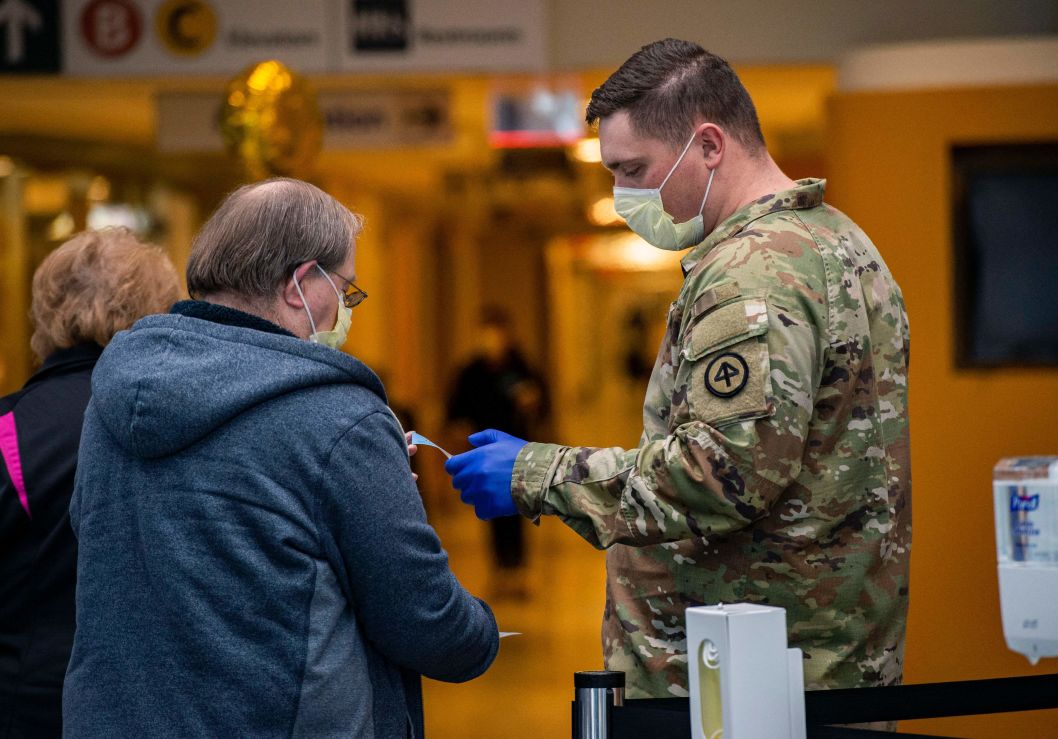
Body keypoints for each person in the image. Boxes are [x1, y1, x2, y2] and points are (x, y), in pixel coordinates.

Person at [446, 38, 911, 700]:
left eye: (635, 169)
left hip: (751, 677)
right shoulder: (842, 243)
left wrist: (537, 473)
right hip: (819, 659)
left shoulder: (753, 274)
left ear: (710, 145)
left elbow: (722, 473)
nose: (624, 194)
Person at [64, 178, 499, 738]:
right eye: (346, 289)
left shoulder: (109, 402)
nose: (346, 307)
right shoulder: (337, 418)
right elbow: (425, 621)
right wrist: (484, 632)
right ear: (300, 285)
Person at [0, 228, 179, 738]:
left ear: (46, 310)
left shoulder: (9, 433)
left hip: (28, 703)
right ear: (158, 314)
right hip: (162, 704)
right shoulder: (185, 429)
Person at [445, 306, 547, 590]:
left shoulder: (520, 365)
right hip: (485, 452)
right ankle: (500, 565)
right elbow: (455, 410)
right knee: (491, 506)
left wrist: (532, 402)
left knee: (517, 506)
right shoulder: (471, 370)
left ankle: (517, 565)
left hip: (517, 450)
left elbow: (542, 401)